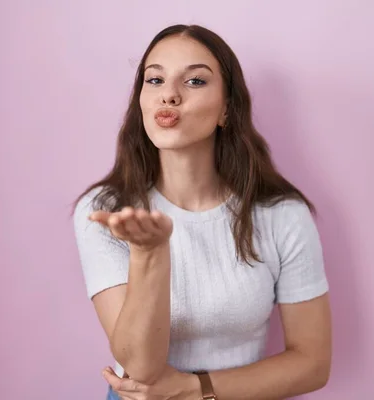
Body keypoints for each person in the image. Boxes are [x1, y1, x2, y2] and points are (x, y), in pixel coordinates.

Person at [73, 24, 332, 400]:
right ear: (140, 101)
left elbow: (312, 363)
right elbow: (141, 366)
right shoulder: (106, 210)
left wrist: (198, 389)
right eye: (155, 79)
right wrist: (150, 253)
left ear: (226, 109)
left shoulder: (282, 214)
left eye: (194, 81)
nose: (169, 96)